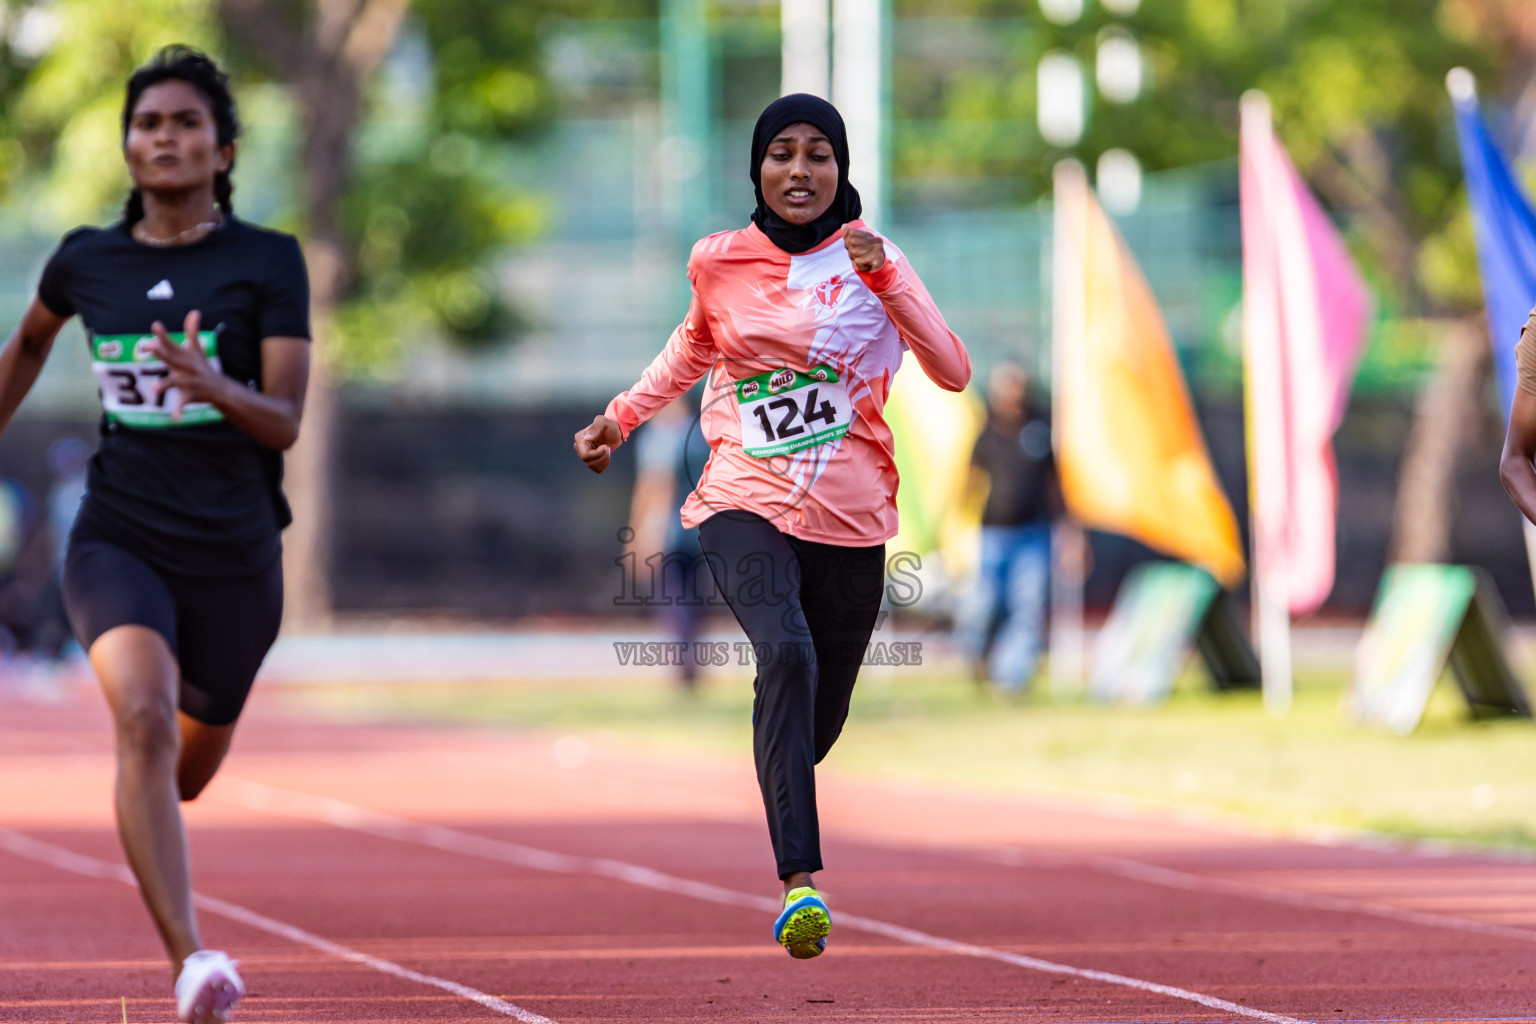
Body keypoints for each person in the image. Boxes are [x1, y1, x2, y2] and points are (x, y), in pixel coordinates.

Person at [575, 93, 970, 959]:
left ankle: (781, 759)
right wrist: (620, 418)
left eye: (818, 154)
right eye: (782, 153)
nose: (800, 171)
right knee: (784, 654)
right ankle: (801, 884)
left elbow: (952, 369)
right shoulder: (718, 261)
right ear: (758, 167)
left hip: (853, 520)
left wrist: (887, 277)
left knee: (813, 724)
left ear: (842, 169)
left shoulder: (877, 260)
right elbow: (692, 346)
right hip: (740, 501)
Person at [0, 46, 310, 1023]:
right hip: (119, 533)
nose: (163, 138)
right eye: (147, 124)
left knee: (182, 767)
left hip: (236, 549)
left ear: (224, 148)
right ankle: (191, 961)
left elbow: (286, 419)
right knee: (139, 716)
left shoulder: (268, 261)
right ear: (128, 147)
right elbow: (30, 345)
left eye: (184, 123)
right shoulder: (88, 259)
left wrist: (215, 386)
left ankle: (160, 798)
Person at [953, 362, 1062, 692]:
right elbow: (968, 481)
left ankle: (1011, 679)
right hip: (993, 534)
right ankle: (976, 660)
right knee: (984, 606)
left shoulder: (1039, 431)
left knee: (1026, 607)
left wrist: (1068, 530)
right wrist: (957, 524)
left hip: (1033, 533)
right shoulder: (986, 434)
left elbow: (1054, 484)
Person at [626, 392, 715, 690]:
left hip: (670, 532)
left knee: (674, 599)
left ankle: (683, 665)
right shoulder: (700, 434)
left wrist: (640, 534)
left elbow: (655, 486)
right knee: (695, 599)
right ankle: (693, 662)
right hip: (701, 530)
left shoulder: (661, 437)